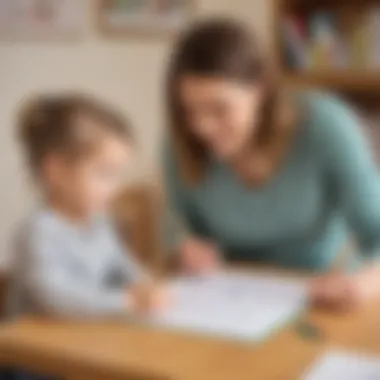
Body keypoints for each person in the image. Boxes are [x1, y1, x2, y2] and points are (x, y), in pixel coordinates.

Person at [164, 19, 380, 309]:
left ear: (260, 89)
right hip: (224, 296)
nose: (203, 127)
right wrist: (184, 249)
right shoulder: (180, 141)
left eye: (219, 109)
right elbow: (180, 229)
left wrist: (363, 284)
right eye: (189, 110)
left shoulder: (327, 126)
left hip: (319, 293)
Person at [7, 93, 168, 321]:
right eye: (105, 173)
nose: (116, 187)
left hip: (85, 334)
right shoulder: (38, 232)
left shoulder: (99, 221)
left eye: (117, 174)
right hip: (34, 348)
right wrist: (126, 301)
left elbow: (121, 264)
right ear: (58, 171)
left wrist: (145, 283)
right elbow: (55, 298)